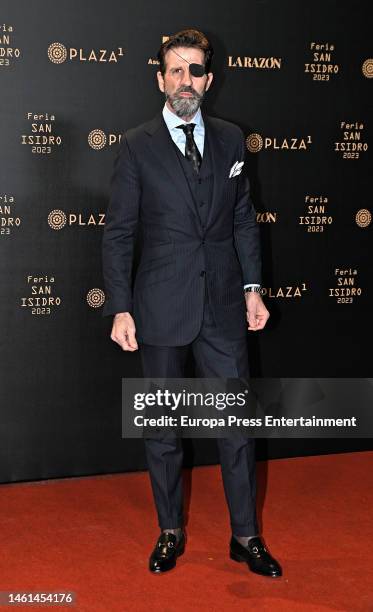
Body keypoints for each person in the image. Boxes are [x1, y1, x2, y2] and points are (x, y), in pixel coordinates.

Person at [102, 28, 282, 577]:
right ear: (160, 78)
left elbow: (243, 221)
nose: (186, 81)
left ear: (208, 79)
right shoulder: (137, 144)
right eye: (176, 71)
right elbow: (119, 233)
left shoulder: (231, 139)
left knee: (236, 428)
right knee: (162, 429)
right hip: (159, 306)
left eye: (195, 70)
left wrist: (253, 288)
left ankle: (245, 535)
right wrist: (120, 306)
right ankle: (169, 530)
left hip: (225, 305)